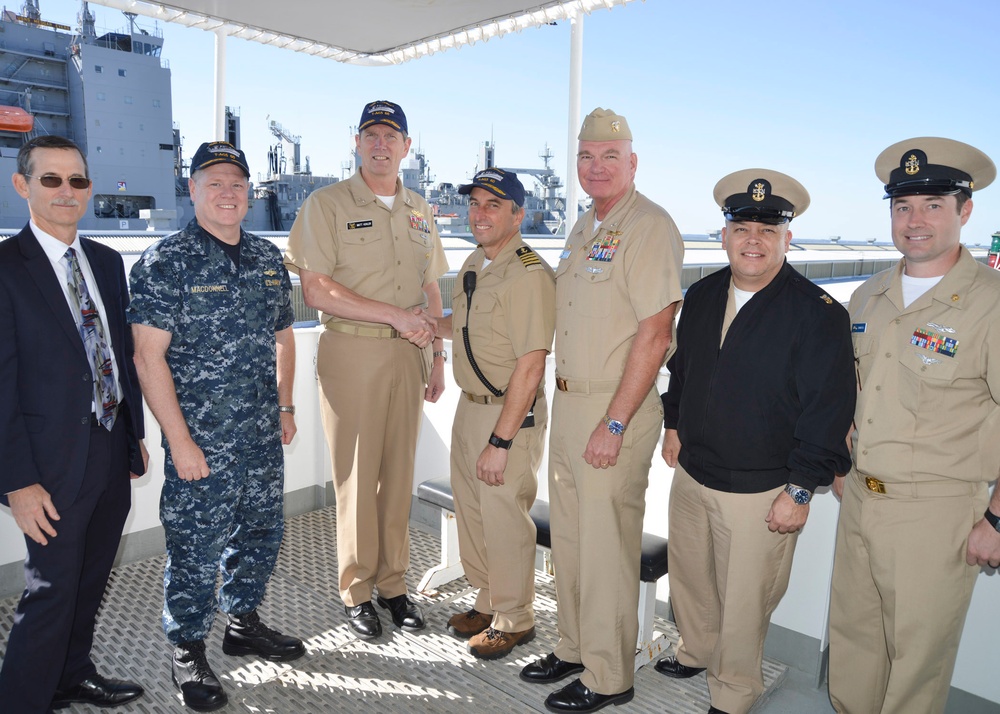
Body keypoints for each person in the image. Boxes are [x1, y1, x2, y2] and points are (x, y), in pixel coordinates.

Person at [656, 170, 855, 714]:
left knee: (745, 603)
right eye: (742, 226)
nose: (753, 239)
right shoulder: (700, 295)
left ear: (787, 239)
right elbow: (683, 369)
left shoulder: (818, 314)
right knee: (691, 580)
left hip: (761, 489)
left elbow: (829, 409)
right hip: (693, 472)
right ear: (723, 234)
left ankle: (733, 692)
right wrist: (673, 424)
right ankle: (694, 650)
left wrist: (799, 489)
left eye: (768, 230)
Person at [519, 108, 684, 713]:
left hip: (615, 408)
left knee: (607, 545)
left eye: (609, 156)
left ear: (632, 163)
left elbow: (656, 330)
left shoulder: (649, 226)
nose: (596, 166)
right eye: (587, 156)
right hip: (568, 404)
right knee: (569, 539)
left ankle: (611, 676)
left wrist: (614, 422)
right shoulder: (587, 225)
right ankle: (575, 645)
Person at [129, 141, 303, 712]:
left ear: (249, 193)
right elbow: (147, 358)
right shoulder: (166, 261)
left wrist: (285, 406)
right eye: (214, 182)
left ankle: (243, 622)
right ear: (193, 189)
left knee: (260, 533)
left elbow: (283, 336)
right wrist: (179, 442)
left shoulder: (265, 257)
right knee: (196, 546)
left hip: (259, 433)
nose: (227, 192)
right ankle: (186, 648)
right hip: (201, 438)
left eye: (236, 183)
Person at [828, 137, 1000, 714]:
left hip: (938, 513)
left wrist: (998, 518)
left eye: (933, 205)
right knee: (854, 646)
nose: (915, 220)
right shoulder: (868, 297)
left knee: (916, 668)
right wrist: (842, 465)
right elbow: (854, 393)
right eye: (903, 207)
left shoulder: (990, 305)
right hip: (860, 500)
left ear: (965, 211)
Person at [284, 100, 447, 640]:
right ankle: (356, 589)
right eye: (371, 135)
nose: (381, 144)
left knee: (399, 474)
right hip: (353, 351)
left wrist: (437, 356)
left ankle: (393, 585)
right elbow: (316, 288)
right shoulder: (326, 204)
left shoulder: (420, 209)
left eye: (391, 136)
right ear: (356, 144)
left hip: (411, 354)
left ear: (406, 147)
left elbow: (431, 286)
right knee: (356, 476)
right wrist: (396, 317)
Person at [0, 135, 147, 713]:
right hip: (47, 463)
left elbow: (115, 353)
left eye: (77, 181)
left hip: (108, 447)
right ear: (23, 185)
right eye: (51, 180)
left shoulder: (108, 263)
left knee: (90, 578)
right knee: (51, 591)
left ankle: (70, 675)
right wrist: (16, 480)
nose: (66, 192)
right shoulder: (5, 271)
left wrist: (131, 437)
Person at [435, 168, 555, 659]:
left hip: (509, 414)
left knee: (505, 517)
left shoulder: (528, 274)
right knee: (473, 512)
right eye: (475, 203)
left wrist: (501, 441)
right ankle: (487, 601)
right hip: (468, 407)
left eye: (493, 205)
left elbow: (530, 364)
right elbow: (462, 330)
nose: (479, 213)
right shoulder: (475, 263)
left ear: (518, 215)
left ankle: (515, 618)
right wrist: (421, 323)